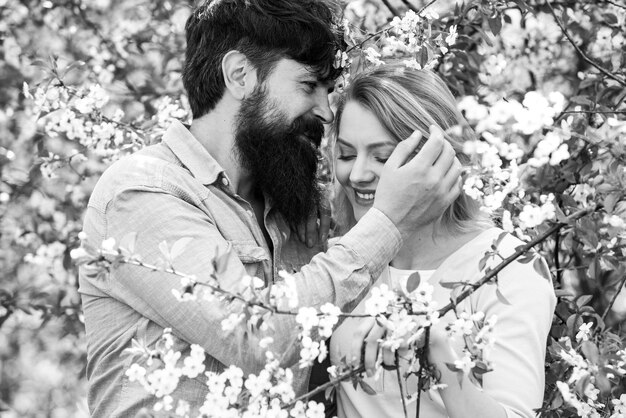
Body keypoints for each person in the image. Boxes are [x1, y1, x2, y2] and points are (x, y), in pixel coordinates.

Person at [78, 1, 463, 416]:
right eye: (308, 86)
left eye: (329, 91)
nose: (326, 112)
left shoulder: (296, 206)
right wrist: (389, 223)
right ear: (240, 74)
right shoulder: (142, 191)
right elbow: (256, 335)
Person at [329, 65, 557, 418]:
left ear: (438, 159)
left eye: (383, 157)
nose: (357, 174)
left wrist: (437, 348)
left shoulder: (510, 268)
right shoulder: (345, 257)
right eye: (346, 154)